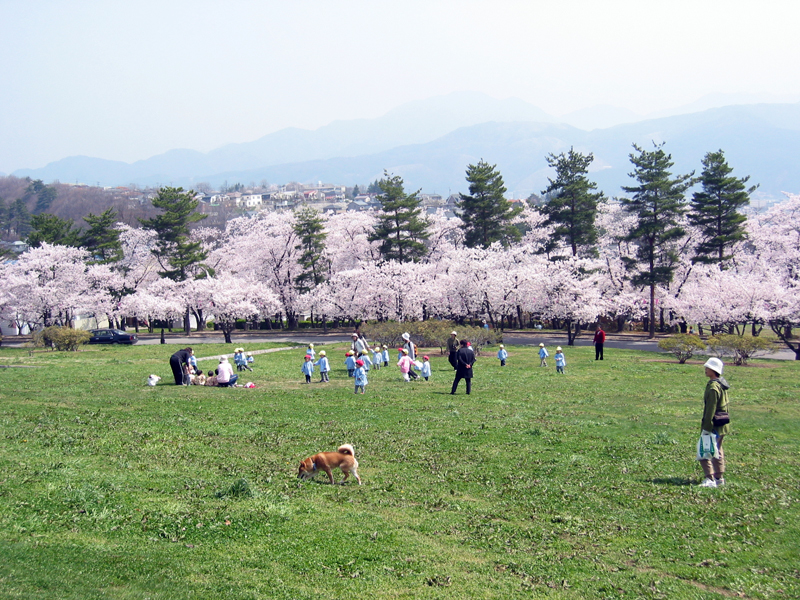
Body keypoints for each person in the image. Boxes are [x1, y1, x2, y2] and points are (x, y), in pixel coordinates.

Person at [698, 357, 731, 488]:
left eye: (707, 368)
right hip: (723, 424)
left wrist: (706, 428)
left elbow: (710, 410)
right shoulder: (722, 384)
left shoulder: (713, 387)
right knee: (718, 450)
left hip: (713, 425)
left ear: (713, 370)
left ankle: (710, 479)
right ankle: (719, 478)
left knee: (705, 450)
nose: (705, 370)